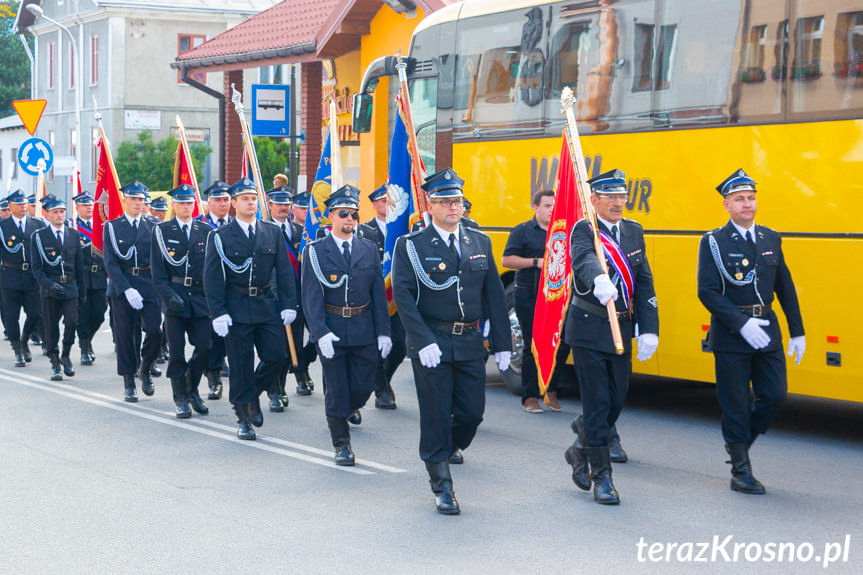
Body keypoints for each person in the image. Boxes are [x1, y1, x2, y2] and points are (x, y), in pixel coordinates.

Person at [392, 168, 511, 515]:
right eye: (445, 202)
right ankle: (441, 483)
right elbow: (402, 295)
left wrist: (502, 343)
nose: (453, 208)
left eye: (457, 201)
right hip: (433, 342)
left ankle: (445, 448)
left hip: (470, 340)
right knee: (436, 414)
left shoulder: (479, 241)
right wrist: (422, 340)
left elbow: (494, 296)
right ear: (431, 206)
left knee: (472, 413)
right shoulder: (411, 246)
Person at [697, 169, 805, 495]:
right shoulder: (713, 241)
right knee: (736, 403)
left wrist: (797, 330)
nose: (747, 204)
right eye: (740, 199)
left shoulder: (770, 237)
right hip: (733, 334)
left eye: (751, 198)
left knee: (774, 395)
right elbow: (708, 292)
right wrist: (741, 323)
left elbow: (784, 286)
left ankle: (737, 443)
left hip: (767, 329)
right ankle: (741, 470)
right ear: (726, 205)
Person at [562, 169, 659, 505]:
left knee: (615, 401)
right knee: (599, 402)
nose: (618, 202)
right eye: (610, 197)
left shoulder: (633, 231)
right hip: (590, 327)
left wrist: (650, 327)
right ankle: (603, 479)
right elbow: (583, 258)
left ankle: (580, 446)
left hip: (623, 325)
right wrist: (598, 279)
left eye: (621, 196)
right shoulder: (584, 228)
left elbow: (644, 280)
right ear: (595, 200)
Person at [301, 184, 391, 465]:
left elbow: (377, 294)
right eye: (343, 214)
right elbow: (311, 297)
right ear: (331, 216)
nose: (350, 220)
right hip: (333, 328)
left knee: (363, 387)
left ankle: (345, 410)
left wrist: (383, 332)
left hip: (363, 328)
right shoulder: (316, 251)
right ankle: (342, 444)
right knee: (337, 389)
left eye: (354, 215)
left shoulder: (368, 249)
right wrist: (319, 333)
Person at [203, 177, 297, 440]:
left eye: (254, 198)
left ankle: (252, 393)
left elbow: (284, 272)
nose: (251, 202)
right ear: (234, 203)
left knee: (277, 356)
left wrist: (289, 304)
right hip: (236, 307)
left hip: (266, 305)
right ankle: (242, 415)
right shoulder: (220, 236)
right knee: (240, 364)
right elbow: (212, 277)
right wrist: (217, 312)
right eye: (245, 198)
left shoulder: (271, 232)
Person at [502, 189, 567, 413]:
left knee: (561, 344)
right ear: (536, 207)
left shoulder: (562, 232)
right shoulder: (522, 231)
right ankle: (530, 396)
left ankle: (550, 390)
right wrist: (535, 262)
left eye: (554, 206)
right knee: (532, 344)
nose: (551, 210)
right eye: (547, 206)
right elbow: (507, 260)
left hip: (557, 296)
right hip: (529, 294)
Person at [152, 184, 212, 419]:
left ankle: (192, 386)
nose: (186, 206)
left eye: (190, 202)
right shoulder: (162, 231)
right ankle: (180, 398)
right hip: (175, 296)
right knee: (176, 352)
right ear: (173, 205)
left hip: (199, 297)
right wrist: (169, 297)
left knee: (206, 347)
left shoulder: (205, 231)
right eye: (182, 203)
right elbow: (158, 273)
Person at [103, 180, 162, 402]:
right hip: (122, 285)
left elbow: (159, 260)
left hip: (148, 284)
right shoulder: (112, 227)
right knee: (125, 335)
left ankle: (145, 368)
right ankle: (128, 380)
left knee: (155, 332)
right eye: (134, 199)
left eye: (141, 199)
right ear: (124, 200)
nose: (138, 203)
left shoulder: (153, 226)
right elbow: (110, 262)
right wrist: (126, 289)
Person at [267, 185, 315, 406]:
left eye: (287, 203)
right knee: (275, 349)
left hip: (297, 298)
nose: (284, 207)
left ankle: (281, 386)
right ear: (270, 206)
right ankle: (274, 391)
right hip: (272, 298)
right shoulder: (264, 231)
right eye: (279, 203)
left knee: (291, 348)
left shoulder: (299, 231)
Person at [30, 195, 85, 381]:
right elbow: (36, 268)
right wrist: (48, 285)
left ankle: (66, 354)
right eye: (55, 212)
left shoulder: (74, 235)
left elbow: (79, 267)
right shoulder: (38, 237)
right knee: (51, 327)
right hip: (50, 288)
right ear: (46, 214)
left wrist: (82, 293)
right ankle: (54, 362)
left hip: (69, 287)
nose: (59, 215)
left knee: (72, 322)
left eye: (62, 212)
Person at [363, 184, 406, 410]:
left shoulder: (402, 230)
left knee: (400, 344)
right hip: (372, 298)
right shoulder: (365, 231)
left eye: (389, 201)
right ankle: (381, 389)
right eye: (381, 201)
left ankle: (384, 379)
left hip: (396, 297)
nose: (386, 205)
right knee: (377, 345)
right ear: (374, 204)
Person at [0, 189, 45, 366]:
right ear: (10, 207)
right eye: (18, 204)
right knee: (11, 317)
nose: (23, 206)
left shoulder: (37, 224)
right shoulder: (3, 227)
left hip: (32, 277)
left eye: (24, 203)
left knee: (35, 313)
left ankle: (24, 339)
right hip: (9, 276)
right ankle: (17, 349)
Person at [201, 180, 232, 399]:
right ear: (208, 202)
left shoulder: (237, 225)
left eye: (225, 200)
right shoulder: (199, 226)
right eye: (217, 200)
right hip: (207, 292)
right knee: (211, 339)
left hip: (234, 291)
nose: (222, 204)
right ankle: (214, 378)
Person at [73, 192, 108, 366]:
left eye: (90, 205)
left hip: (100, 275)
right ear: (77, 207)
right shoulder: (72, 227)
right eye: (84, 205)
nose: (88, 208)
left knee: (99, 314)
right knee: (83, 314)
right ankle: (85, 347)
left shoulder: (101, 226)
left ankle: (87, 339)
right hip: (82, 276)